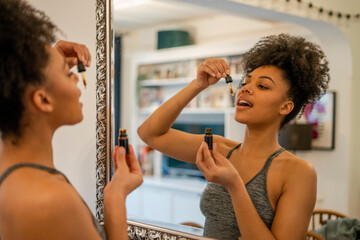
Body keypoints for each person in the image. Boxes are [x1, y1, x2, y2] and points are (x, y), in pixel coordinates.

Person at [138, 33, 330, 240]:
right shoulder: (218, 149)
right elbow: (149, 133)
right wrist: (198, 84)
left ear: (286, 106)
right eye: (246, 82)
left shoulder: (298, 172)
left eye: (262, 86)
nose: (246, 88)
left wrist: (234, 186)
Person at [0, 0, 143, 239]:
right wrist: (116, 195)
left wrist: (44, 70)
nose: (77, 79)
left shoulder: (13, 177)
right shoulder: (49, 201)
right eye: (67, 74)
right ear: (43, 100)